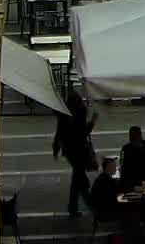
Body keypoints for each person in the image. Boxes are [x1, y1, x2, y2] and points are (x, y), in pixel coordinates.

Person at [52, 89, 98, 217]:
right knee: (79, 178)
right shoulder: (80, 112)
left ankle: (76, 206)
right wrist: (93, 122)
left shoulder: (64, 114)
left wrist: (56, 148)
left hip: (69, 150)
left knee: (78, 177)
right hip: (80, 149)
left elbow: (59, 132)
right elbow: (83, 132)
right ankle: (88, 203)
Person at [88, 157, 125, 223]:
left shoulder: (102, 178)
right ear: (108, 167)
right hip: (106, 213)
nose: (116, 168)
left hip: (102, 211)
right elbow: (119, 197)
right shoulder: (107, 181)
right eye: (114, 166)